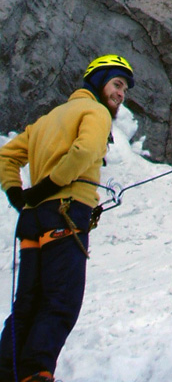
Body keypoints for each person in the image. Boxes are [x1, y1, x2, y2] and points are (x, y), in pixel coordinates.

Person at [0, 54, 135, 382]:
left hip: (34, 220)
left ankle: (7, 372)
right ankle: (35, 374)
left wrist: (21, 196)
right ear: (99, 80)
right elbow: (87, 149)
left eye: (125, 89)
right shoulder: (95, 112)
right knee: (60, 299)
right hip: (67, 213)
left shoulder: (45, 121)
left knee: (28, 303)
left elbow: (6, 155)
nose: (121, 94)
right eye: (117, 83)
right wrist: (51, 185)